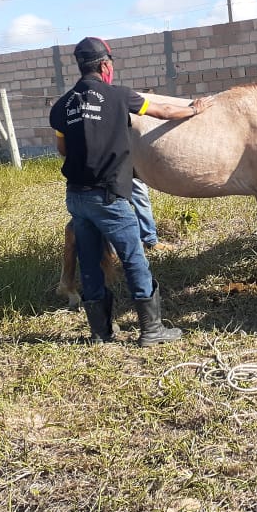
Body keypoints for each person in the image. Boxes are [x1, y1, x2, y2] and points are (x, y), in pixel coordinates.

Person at [49, 36, 210, 345]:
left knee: (90, 258)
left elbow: (62, 149)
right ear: (105, 65)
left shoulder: (61, 106)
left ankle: (101, 332)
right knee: (134, 258)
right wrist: (193, 109)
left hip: (77, 197)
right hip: (109, 195)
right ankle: (152, 330)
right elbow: (162, 111)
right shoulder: (120, 96)